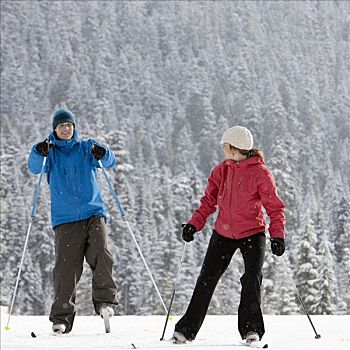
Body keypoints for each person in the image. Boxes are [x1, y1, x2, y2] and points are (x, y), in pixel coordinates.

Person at [173, 126, 286, 344]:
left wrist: (277, 235)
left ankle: (251, 330)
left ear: (233, 148)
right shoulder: (221, 170)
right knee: (206, 279)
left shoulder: (261, 173)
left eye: (224, 145)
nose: (221, 148)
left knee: (252, 278)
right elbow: (208, 202)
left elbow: (274, 208)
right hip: (223, 234)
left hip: (253, 233)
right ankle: (186, 330)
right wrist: (193, 225)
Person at [28, 108, 118, 334]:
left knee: (101, 253)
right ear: (55, 129)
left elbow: (109, 161)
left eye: (69, 125)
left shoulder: (86, 147)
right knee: (66, 268)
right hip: (65, 218)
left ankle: (105, 302)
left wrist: (103, 152)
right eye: (61, 126)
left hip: (93, 212)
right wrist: (39, 152)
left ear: (74, 127)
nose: (66, 129)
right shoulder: (49, 152)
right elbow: (34, 167)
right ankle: (61, 318)